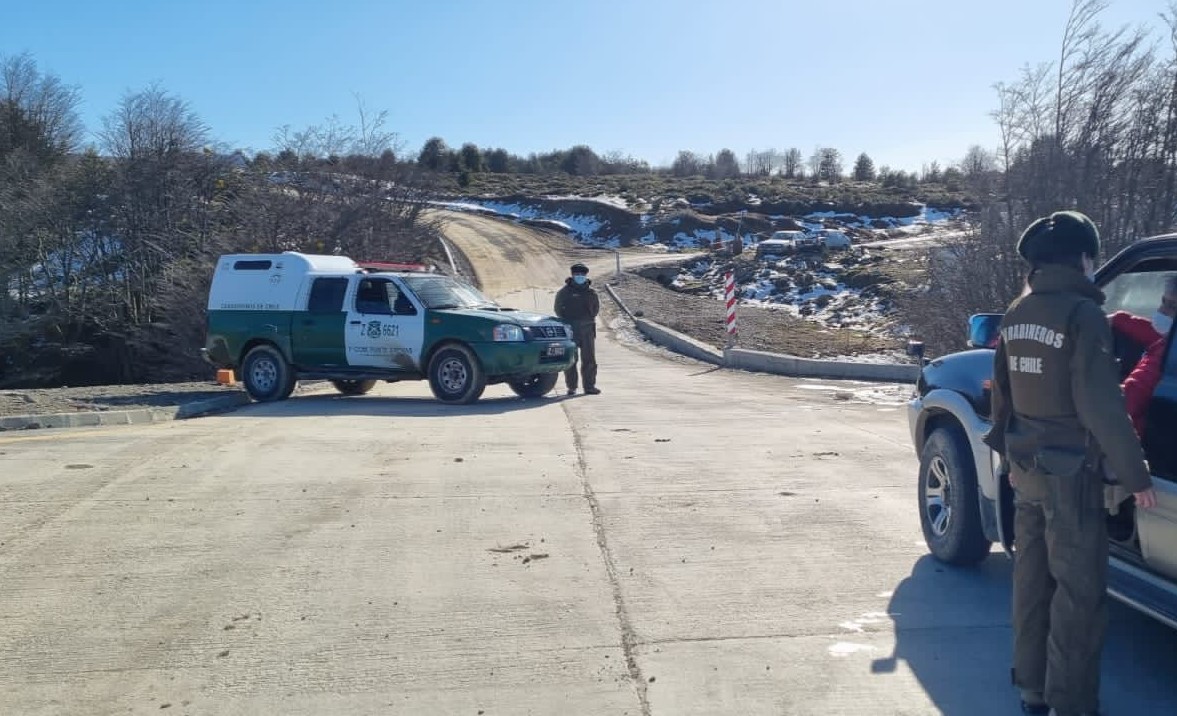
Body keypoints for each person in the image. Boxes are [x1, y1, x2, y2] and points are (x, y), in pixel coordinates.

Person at [983, 210, 1157, 716]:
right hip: (1073, 476)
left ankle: (1033, 692)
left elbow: (1003, 400)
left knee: (1032, 583)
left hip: (1028, 471)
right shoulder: (1084, 317)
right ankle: (1072, 704)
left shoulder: (1017, 314)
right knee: (1079, 597)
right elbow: (1102, 405)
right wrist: (1135, 476)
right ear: (1083, 258)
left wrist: (1009, 457)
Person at [554, 262, 601, 395]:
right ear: (572, 275)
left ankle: (589, 386)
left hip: (588, 329)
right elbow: (558, 310)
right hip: (571, 329)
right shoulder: (564, 292)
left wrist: (587, 320)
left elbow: (595, 309)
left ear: (586, 276)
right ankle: (572, 386)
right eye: (577, 274)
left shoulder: (591, 292)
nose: (580, 277)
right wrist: (568, 322)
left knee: (589, 360)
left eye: (582, 274)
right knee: (571, 360)